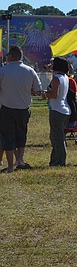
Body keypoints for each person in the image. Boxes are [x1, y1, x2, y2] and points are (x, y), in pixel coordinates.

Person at [0, 45, 42, 173]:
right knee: (21, 135)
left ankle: (10, 166)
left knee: (8, 137)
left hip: (7, 108)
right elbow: (37, 90)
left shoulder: (3, 70)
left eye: (7, 55)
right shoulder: (30, 70)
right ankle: (20, 160)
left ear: (12, 56)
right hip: (24, 108)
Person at [44, 57, 72, 167]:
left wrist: (44, 95)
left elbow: (54, 95)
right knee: (55, 136)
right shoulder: (65, 77)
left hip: (57, 110)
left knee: (58, 138)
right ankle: (54, 160)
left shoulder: (56, 78)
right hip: (64, 110)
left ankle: (60, 160)